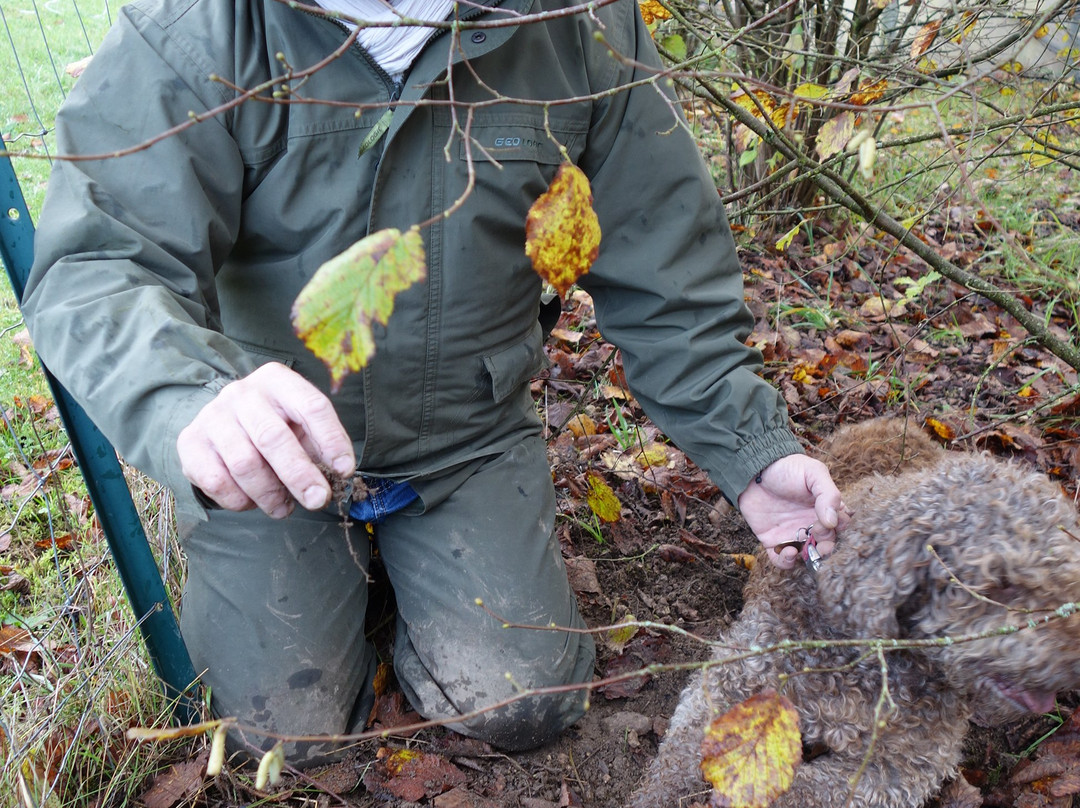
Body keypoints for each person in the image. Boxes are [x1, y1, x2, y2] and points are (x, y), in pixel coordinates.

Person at [21, 0, 844, 766]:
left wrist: (751, 450)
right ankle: (328, 577)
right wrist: (192, 398)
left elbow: (667, 264)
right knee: (272, 734)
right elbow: (98, 265)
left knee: (525, 702)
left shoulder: (577, 22)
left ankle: (423, 567)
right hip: (273, 457)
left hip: (466, 434)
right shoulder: (201, 26)